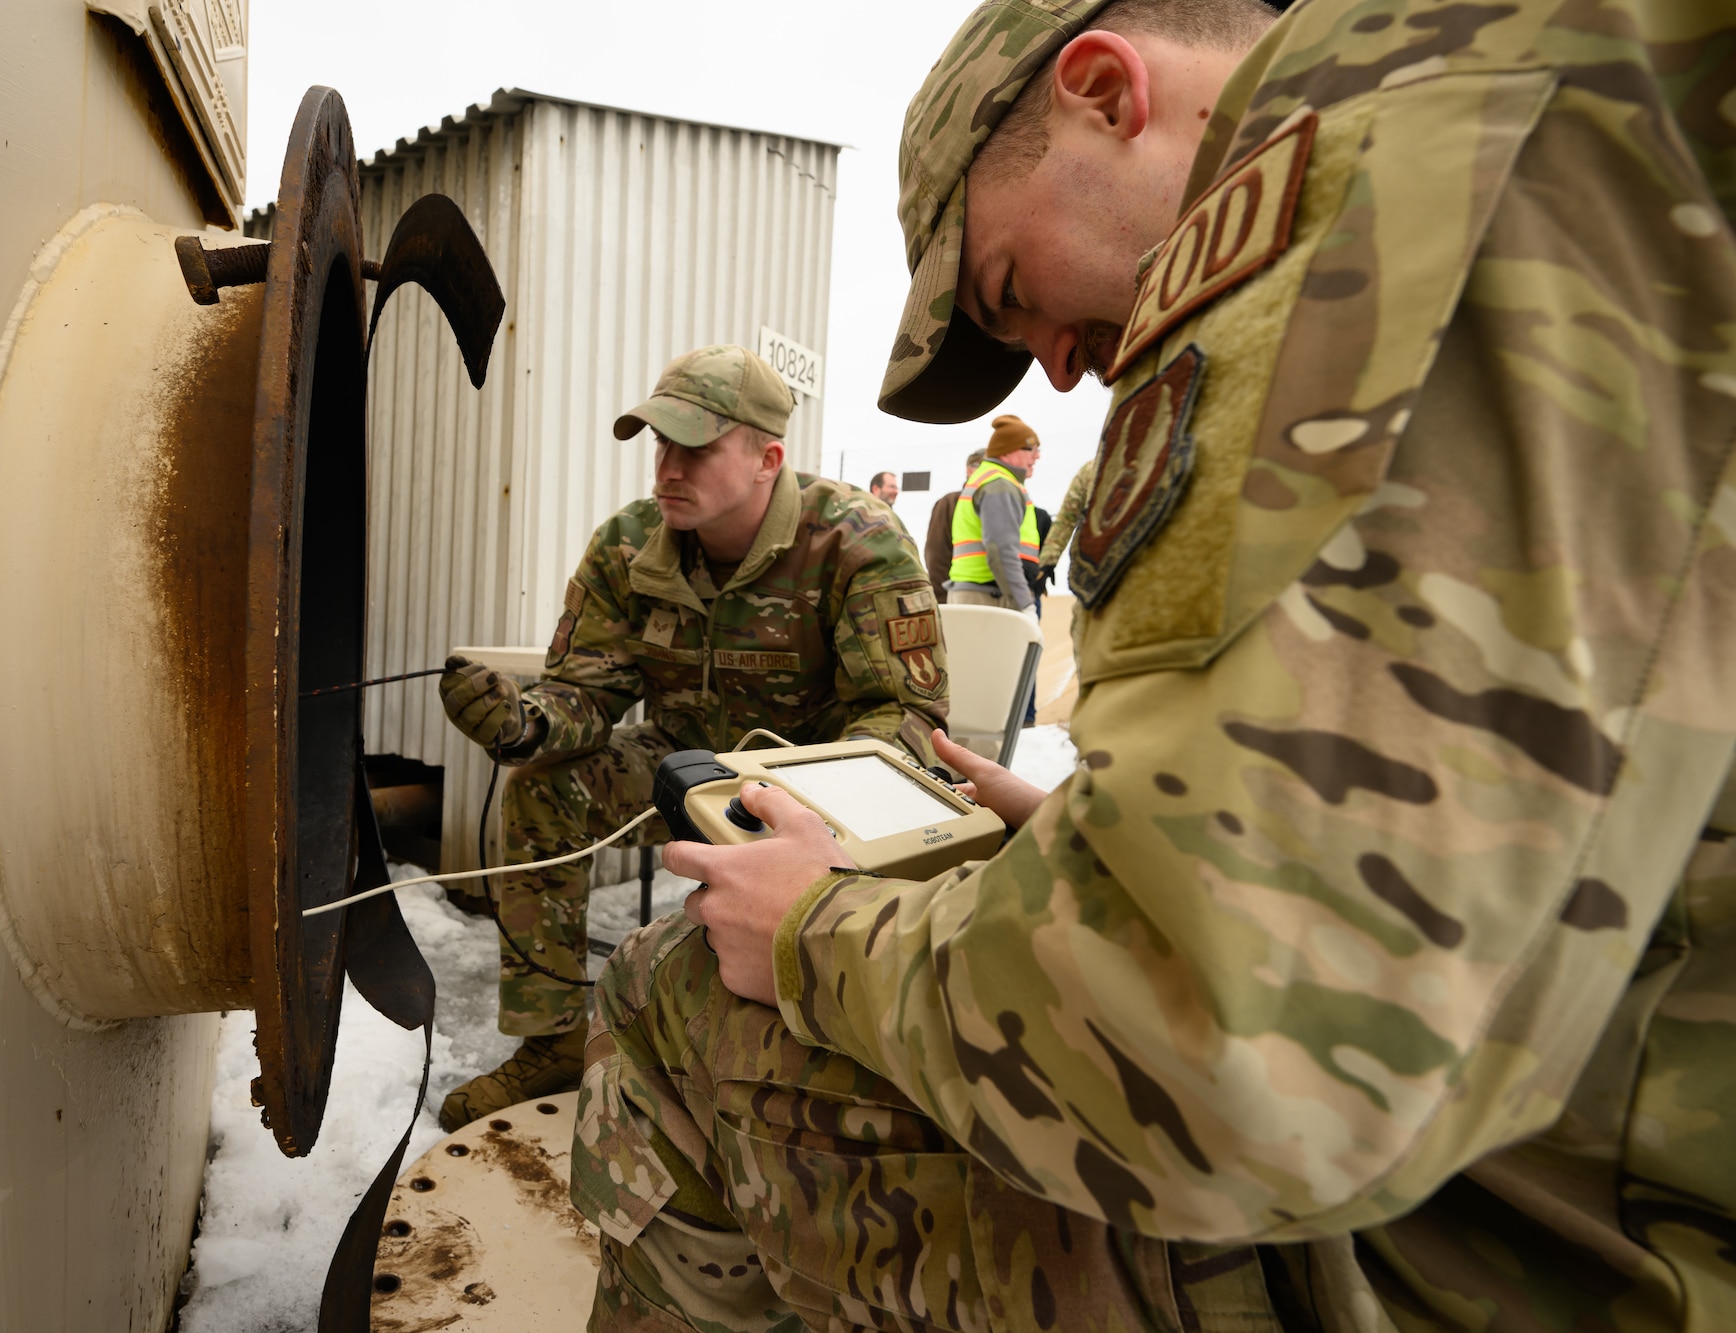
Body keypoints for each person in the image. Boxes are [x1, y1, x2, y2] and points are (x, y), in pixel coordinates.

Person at [570, 0, 1736, 1330]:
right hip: (1578, 1167)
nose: (1059, 372)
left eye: (1011, 291)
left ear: (1107, 94)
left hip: (1442, 1264)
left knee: (674, 985)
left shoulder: (1401, 138)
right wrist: (1082, 831)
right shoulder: (1604, 110)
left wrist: (818, 934)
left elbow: (1248, 1064)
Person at [435, 344, 950, 1130]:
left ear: (766, 458)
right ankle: (551, 1043)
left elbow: (903, 717)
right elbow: (588, 692)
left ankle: (817, 1060)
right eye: (660, 444)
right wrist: (524, 723)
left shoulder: (856, 539)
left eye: (696, 448)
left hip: (814, 783)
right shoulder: (629, 545)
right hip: (678, 763)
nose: (668, 468)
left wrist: (791, 805)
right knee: (543, 788)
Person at [946, 414, 1042, 612]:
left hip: (981, 595)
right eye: (1031, 449)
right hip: (989, 597)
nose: (1037, 456)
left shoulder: (991, 479)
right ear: (1009, 450)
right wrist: (1024, 605)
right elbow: (1001, 551)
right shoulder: (999, 485)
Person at [921, 448, 983, 604]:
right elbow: (936, 554)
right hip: (957, 597)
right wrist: (945, 599)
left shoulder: (997, 503)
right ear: (969, 470)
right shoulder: (949, 503)